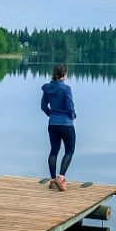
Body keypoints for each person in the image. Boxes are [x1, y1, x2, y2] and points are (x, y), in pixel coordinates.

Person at [41, 63, 76, 191]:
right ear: (65, 75)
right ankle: (61, 178)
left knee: (54, 150)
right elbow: (70, 106)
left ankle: (52, 179)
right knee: (69, 151)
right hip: (66, 124)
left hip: (52, 124)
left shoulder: (47, 88)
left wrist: (52, 115)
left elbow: (44, 107)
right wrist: (72, 116)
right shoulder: (66, 89)